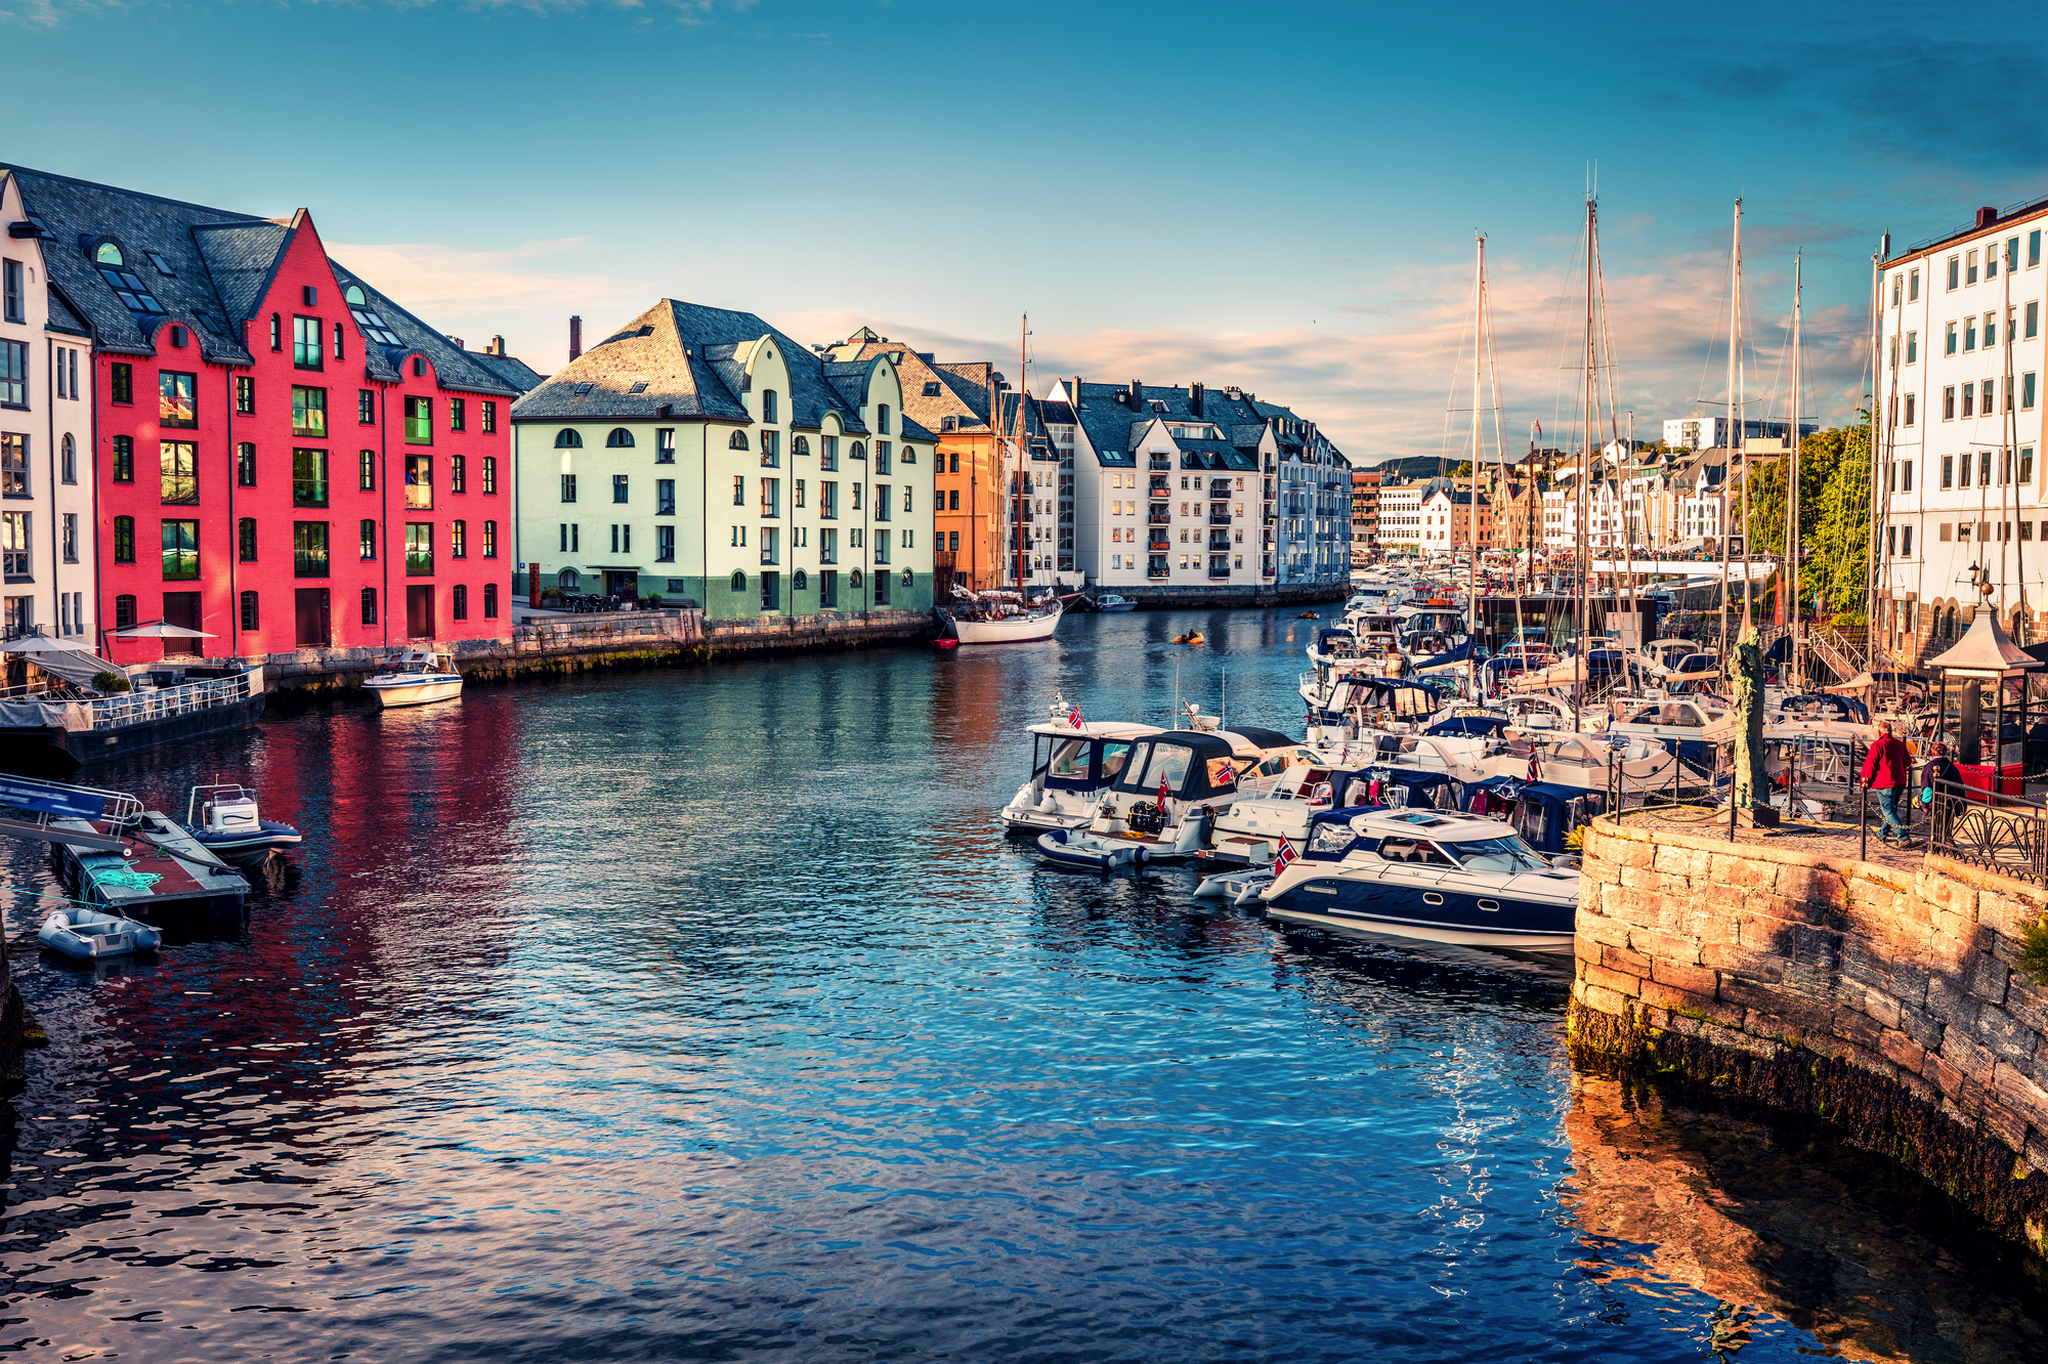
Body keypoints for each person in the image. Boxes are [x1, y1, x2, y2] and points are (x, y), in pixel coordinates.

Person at [1859, 719, 1913, 845]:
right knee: (1891, 810)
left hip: (1884, 783)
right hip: (1899, 781)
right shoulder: (1900, 744)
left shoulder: (1878, 745)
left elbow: (1871, 765)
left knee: (1888, 811)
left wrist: (1866, 782)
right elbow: (1908, 762)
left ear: (1879, 732)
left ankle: (1903, 836)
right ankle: (1881, 834)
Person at [1919, 741, 1962, 847]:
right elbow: (1960, 785)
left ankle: (1937, 845)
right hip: (1950, 800)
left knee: (1937, 824)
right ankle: (1943, 842)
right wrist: (1962, 803)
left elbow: (1928, 788)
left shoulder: (1930, 766)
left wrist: (1925, 804)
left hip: (1936, 801)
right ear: (1946, 752)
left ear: (1932, 753)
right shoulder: (1952, 766)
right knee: (1947, 823)